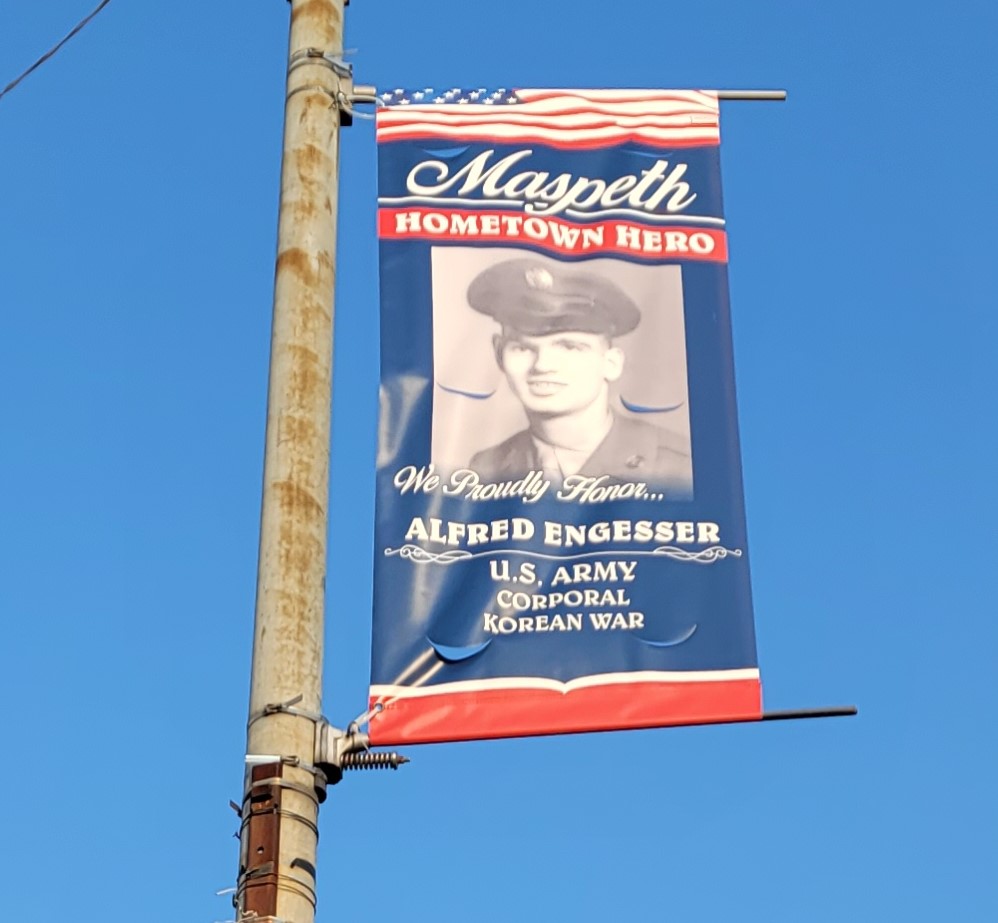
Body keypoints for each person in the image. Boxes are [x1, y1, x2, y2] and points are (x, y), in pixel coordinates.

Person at [466, 257, 693, 496]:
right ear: (499, 354)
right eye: (522, 348)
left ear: (611, 364)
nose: (542, 365)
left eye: (569, 347)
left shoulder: (680, 468)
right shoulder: (486, 469)